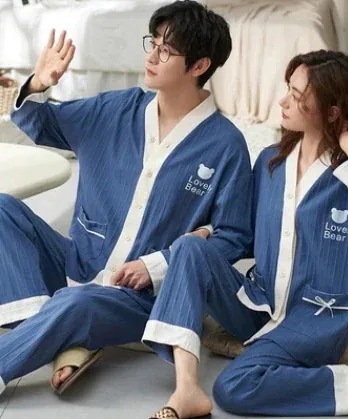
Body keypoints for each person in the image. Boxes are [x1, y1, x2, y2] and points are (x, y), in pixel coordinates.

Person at [0, 0, 253, 397]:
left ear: (200, 66)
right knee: (3, 209)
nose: (151, 56)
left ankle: (47, 336)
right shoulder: (116, 109)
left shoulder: (226, 145)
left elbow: (234, 236)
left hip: (140, 301)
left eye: (166, 51)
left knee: (78, 305)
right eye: (152, 43)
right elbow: (42, 124)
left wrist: (157, 265)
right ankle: (50, 333)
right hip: (78, 264)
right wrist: (38, 85)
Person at [142, 50, 348, 419]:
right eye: (288, 89)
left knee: (236, 386)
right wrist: (205, 234)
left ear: (332, 111)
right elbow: (245, 235)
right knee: (189, 247)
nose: (283, 101)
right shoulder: (271, 162)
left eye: (297, 96)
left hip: (315, 318)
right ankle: (186, 388)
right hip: (260, 301)